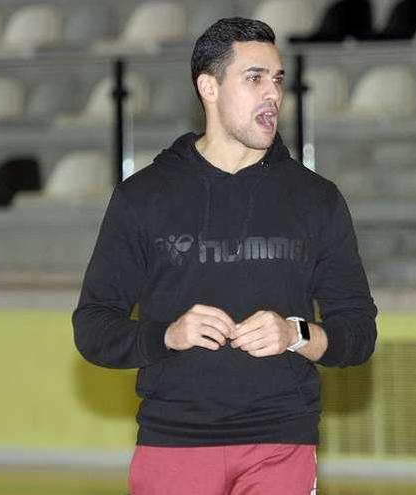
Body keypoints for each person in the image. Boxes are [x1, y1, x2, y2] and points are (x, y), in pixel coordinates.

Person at [73, 17, 377, 495]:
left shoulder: (317, 199)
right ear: (208, 87)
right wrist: (167, 335)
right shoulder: (143, 197)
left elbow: (358, 334)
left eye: (278, 80)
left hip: (282, 442)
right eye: (254, 78)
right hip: (173, 443)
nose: (273, 94)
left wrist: (295, 333)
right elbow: (92, 328)